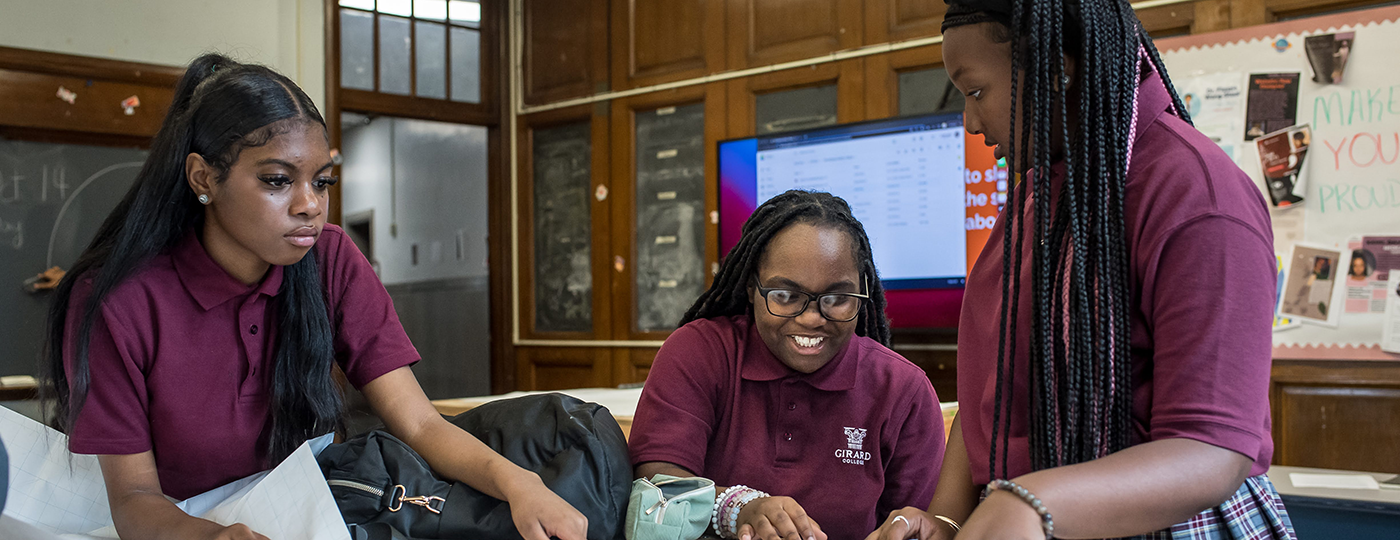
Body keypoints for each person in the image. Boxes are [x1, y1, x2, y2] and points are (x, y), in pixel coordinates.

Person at [42, 54, 586, 540]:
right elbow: (134, 499)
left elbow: (420, 424)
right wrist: (214, 537)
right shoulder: (115, 301)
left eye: (321, 181)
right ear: (204, 177)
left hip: (315, 511)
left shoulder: (330, 260)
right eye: (278, 180)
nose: (310, 205)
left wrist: (520, 485)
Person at [867, 1, 1294, 539]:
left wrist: (1028, 503)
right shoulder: (1036, 196)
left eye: (975, 92)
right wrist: (947, 518)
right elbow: (995, 395)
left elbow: (1213, 451)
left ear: (1056, 69)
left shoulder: (1199, 196)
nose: (970, 123)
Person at [629, 190, 946, 540]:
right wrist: (739, 508)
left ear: (864, 290)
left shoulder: (904, 390)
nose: (811, 318)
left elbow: (918, 523)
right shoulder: (699, 352)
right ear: (752, 288)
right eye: (785, 296)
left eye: (838, 299)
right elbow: (657, 489)